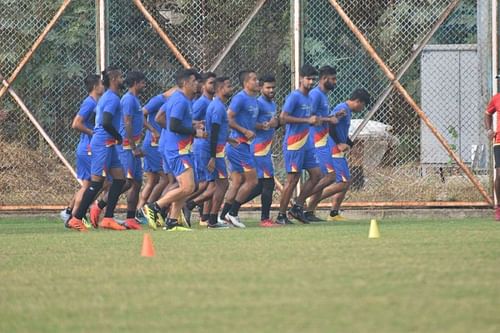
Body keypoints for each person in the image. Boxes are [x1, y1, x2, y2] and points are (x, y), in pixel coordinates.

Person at [143, 69, 206, 231]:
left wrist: (192, 124)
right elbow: (175, 124)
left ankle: (172, 222)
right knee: (188, 187)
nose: (197, 84)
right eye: (194, 81)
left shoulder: (181, 99)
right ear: (185, 83)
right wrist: (194, 132)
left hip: (180, 148)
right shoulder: (180, 101)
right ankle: (154, 206)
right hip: (178, 150)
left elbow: (162, 118)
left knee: (186, 186)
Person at [67, 66, 128, 231]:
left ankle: (108, 218)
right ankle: (76, 218)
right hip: (102, 144)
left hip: (109, 143)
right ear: (114, 79)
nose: (123, 80)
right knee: (96, 183)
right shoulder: (112, 99)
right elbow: (106, 122)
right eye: (121, 77)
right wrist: (118, 136)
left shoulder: (110, 96)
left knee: (120, 179)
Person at [276, 64, 322, 225]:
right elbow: (283, 118)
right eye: (308, 79)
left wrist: (315, 121)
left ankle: (297, 206)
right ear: (301, 79)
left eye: (313, 80)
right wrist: (306, 120)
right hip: (294, 143)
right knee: (293, 179)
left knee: (317, 174)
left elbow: (308, 119)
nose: (311, 82)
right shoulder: (294, 97)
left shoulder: (310, 98)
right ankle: (281, 215)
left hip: (306, 142)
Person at [60, 74, 104, 228]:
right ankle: (75, 216)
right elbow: (76, 124)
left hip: (89, 148)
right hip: (88, 148)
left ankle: (70, 212)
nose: (103, 86)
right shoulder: (89, 103)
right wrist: (93, 133)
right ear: (95, 87)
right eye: (101, 84)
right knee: (89, 185)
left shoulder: (96, 102)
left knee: (91, 184)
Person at [219, 70, 260, 228]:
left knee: (236, 182)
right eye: (254, 79)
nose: (257, 82)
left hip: (243, 145)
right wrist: (244, 131)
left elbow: (248, 122)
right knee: (253, 181)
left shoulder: (254, 100)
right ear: (246, 83)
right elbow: (228, 118)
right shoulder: (240, 98)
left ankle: (223, 216)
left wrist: (259, 126)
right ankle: (233, 213)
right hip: (238, 145)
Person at [241, 74, 281, 227]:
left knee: (259, 186)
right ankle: (265, 219)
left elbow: (273, 123)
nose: (271, 90)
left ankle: (231, 208)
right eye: (268, 87)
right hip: (258, 149)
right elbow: (250, 123)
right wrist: (265, 125)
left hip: (266, 149)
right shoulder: (258, 104)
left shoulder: (272, 104)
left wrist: (275, 123)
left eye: (273, 87)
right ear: (261, 88)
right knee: (269, 184)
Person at [325, 88, 371, 221]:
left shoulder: (347, 111)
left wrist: (349, 144)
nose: (362, 108)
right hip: (334, 150)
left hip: (339, 151)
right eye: (363, 105)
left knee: (345, 181)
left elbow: (342, 133)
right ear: (358, 101)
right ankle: (311, 199)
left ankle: (334, 213)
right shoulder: (342, 109)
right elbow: (330, 125)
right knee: (343, 182)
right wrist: (339, 143)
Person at [136, 87, 176, 224]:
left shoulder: (171, 100)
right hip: (154, 144)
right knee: (165, 179)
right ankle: (148, 209)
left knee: (152, 180)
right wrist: (153, 130)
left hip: (158, 143)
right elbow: (141, 114)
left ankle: (140, 210)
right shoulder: (159, 100)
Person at [203, 77, 236, 228]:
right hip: (216, 151)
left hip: (218, 149)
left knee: (218, 184)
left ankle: (211, 218)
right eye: (229, 86)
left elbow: (217, 131)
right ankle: (212, 220)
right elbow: (214, 132)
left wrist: (228, 139)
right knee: (222, 184)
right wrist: (213, 157)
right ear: (220, 89)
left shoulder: (219, 105)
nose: (231, 88)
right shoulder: (217, 107)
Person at [184, 72, 216, 225]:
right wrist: (199, 124)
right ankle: (185, 203)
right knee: (206, 184)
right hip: (201, 146)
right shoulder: (201, 103)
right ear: (203, 85)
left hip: (210, 145)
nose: (214, 86)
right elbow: (189, 121)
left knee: (211, 183)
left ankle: (206, 217)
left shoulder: (213, 102)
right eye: (211, 83)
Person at [116, 71, 146, 230]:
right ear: (135, 83)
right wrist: (133, 147)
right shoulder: (128, 99)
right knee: (126, 182)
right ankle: (101, 206)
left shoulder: (135, 100)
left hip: (133, 146)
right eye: (142, 82)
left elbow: (138, 120)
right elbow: (127, 123)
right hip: (127, 147)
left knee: (137, 182)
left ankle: (130, 218)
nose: (144, 85)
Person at [484, 84, 500, 220]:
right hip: (499, 141)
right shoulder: (496, 99)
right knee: (499, 173)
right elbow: (488, 113)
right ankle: (499, 208)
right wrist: (489, 130)